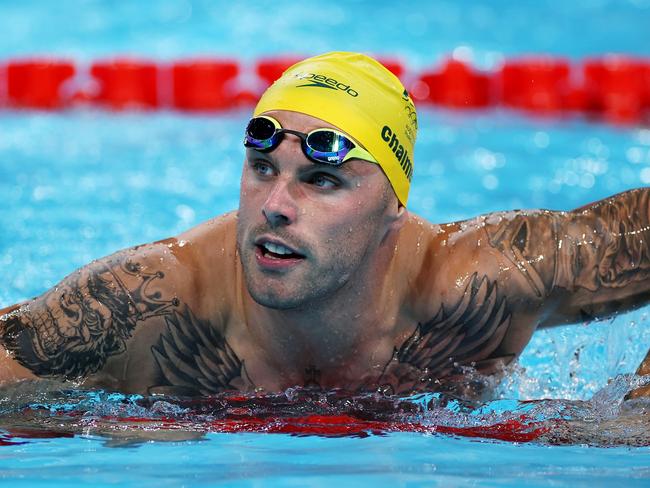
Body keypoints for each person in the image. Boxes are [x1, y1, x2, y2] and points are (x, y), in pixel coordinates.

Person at [0, 52, 648, 400]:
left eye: (321, 180)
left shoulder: (481, 283)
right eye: (262, 169)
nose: (275, 205)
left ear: (394, 208)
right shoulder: (147, 304)